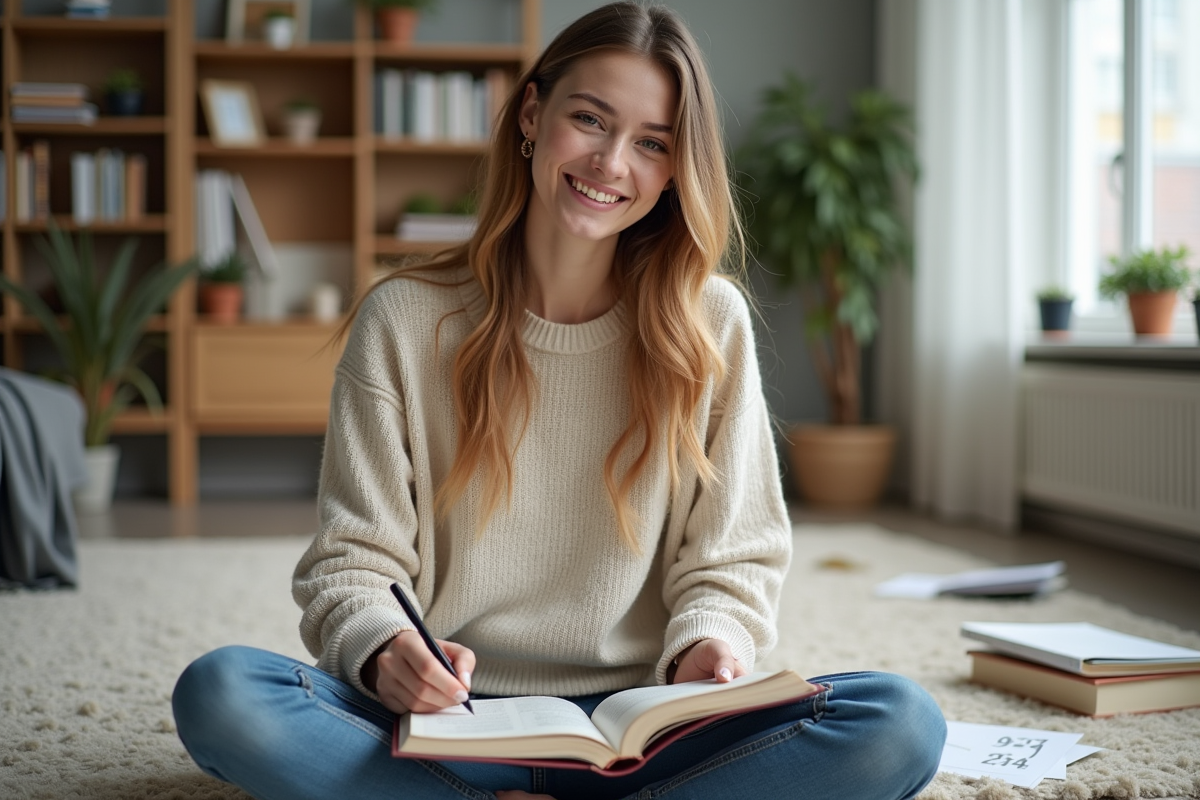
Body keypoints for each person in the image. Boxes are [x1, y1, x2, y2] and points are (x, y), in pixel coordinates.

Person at [172, 4, 946, 798]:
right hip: (452, 723)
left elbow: (734, 556)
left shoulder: (710, 322)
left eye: (652, 143)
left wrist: (710, 645)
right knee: (225, 693)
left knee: (899, 721)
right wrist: (384, 648)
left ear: (677, 169)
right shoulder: (403, 318)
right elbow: (353, 561)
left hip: (645, 731)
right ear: (534, 115)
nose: (613, 162)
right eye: (590, 119)